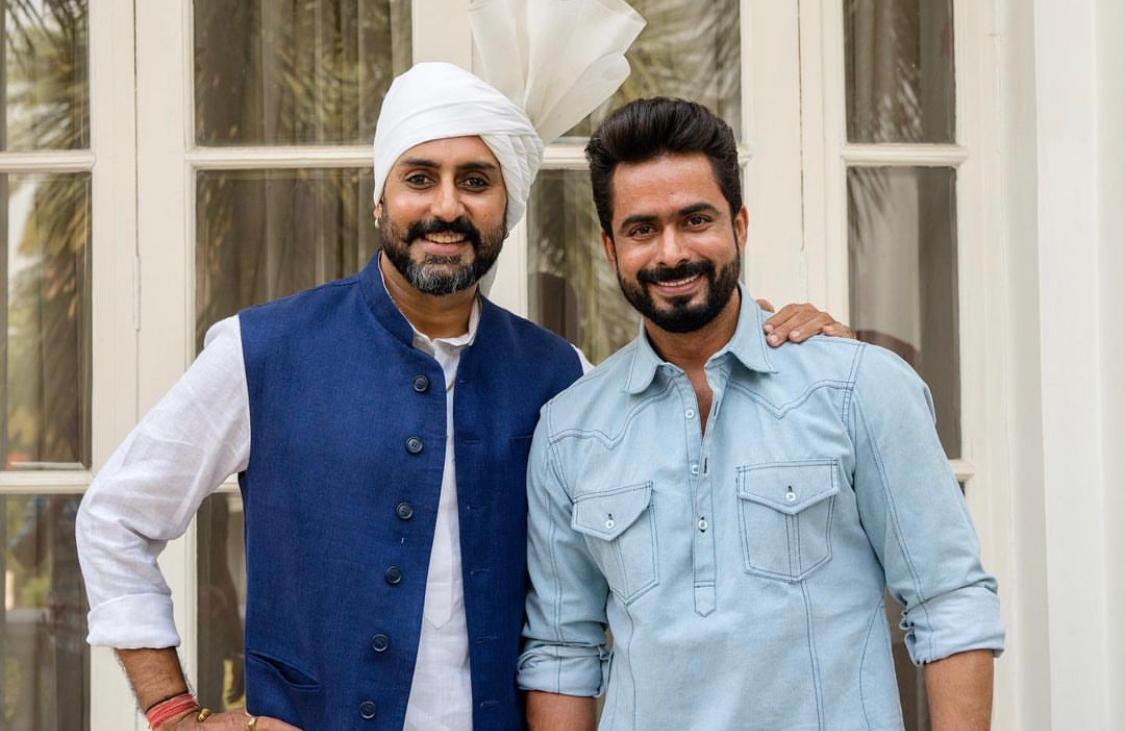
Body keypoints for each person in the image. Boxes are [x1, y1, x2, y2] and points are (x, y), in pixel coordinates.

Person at [75, 4, 848, 729]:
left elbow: (683, 523)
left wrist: (779, 349)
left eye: (475, 182)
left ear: (506, 209)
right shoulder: (263, 350)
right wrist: (175, 713)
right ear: (380, 201)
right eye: (420, 178)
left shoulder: (560, 375)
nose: (446, 206)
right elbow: (114, 517)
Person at [518, 97, 1006, 731]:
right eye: (642, 230)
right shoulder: (568, 431)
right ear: (611, 248)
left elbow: (949, 603)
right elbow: (562, 655)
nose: (672, 252)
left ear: (740, 226)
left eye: (696, 220)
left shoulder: (859, 387)